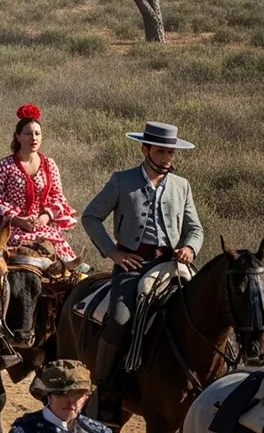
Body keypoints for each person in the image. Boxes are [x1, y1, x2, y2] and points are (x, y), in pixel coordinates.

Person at [80, 121, 202, 425]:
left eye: (170, 151)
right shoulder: (121, 181)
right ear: (144, 148)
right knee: (120, 318)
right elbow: (91, 216)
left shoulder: (181, 185)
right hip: (133, 268)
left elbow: (195, 228)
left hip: (173, 266)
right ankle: (107, 388)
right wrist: (114, 253)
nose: (167, 157)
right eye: (161, 151)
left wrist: (189, 247)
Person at [0, 103, 79, 266]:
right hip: (12, 227)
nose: (34, 138)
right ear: (18, 136)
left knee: (69, 269)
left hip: (42, 226)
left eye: (37, 133)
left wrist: (45, 216)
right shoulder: (5, 165)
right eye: (28, 134)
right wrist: (18, 219)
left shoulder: (49, 164)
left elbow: (58, 197)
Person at [9, 360, 111, 433]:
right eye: (61, 394)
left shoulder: (98, 430)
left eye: (77, 394)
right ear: (49, 395)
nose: (69, 400)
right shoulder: (25, 429)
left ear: (85, 398)